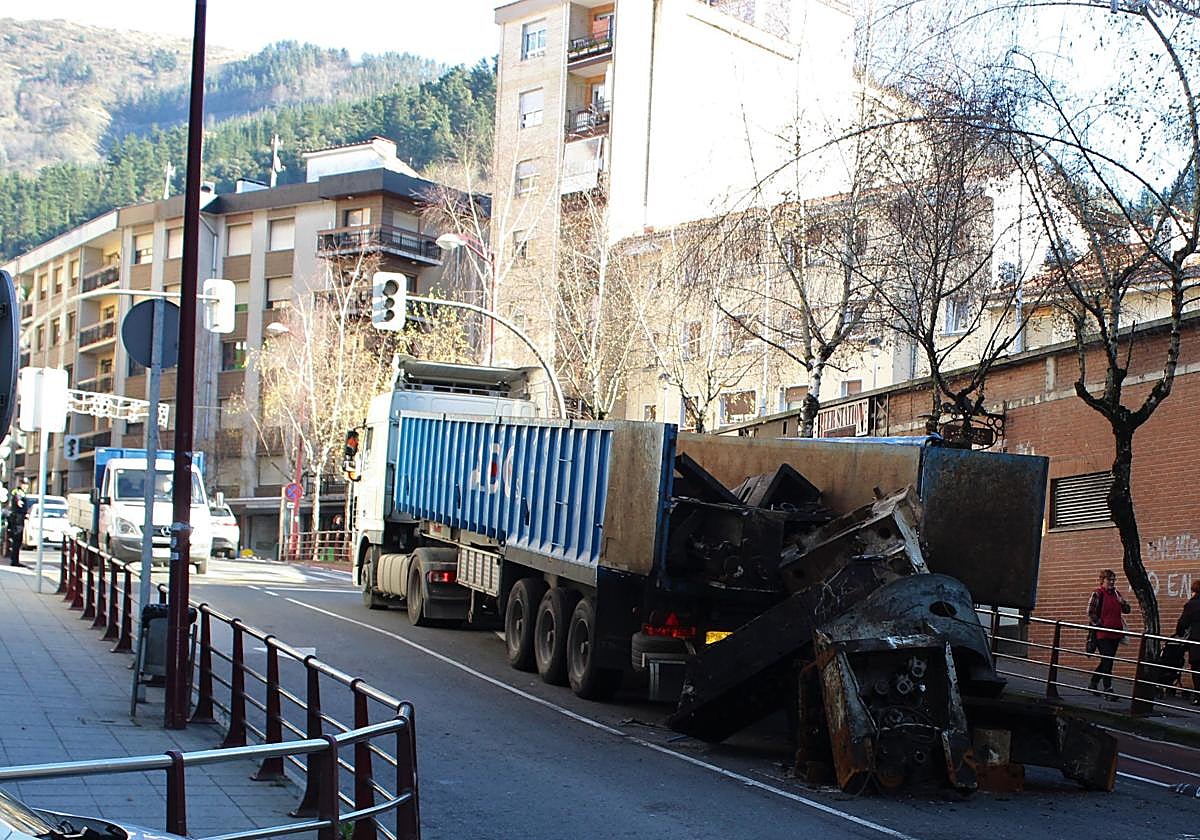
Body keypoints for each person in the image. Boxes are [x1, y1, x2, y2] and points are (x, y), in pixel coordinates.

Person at [1087, 568, 1132, 700]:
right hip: (1102, 634)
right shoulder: (1098, 593)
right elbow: (1090, 612)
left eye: (1113, 580)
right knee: (1107, 660)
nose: (1112, 582)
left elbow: (1127, 610)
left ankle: (1093, 682)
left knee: (1108, 660)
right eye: (1109, 580)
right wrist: (1100, 624)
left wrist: (1123, 603)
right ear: (1103, 581)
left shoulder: (1116, 594)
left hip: (1115, 633)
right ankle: (1108, 689)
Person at [1175, 579, 1200, 705]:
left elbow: (1183, 623)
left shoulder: (1192, 605)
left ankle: (1198, 696)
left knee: (1197, 669)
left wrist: (1180, 633)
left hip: (1196, 641)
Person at [6, 488, 26, 567]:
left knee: (17, 542)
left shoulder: (18, 492)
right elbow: (19, 502)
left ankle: (15, 560)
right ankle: (14, 561)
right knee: (17, 541)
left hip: (18, 520)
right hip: (18, 520)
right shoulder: (18, 493)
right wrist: (19, 502)